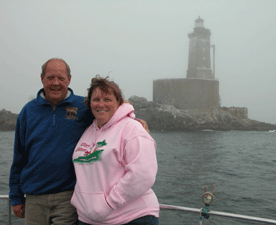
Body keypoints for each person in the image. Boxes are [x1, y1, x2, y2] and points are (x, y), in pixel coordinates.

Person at [9, 58, 149, 225]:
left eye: (61, 78)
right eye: (50, 77)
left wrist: (134, 120)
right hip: (34, 198)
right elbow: (19, 158)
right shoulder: (27, 112)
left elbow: (109, 112)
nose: (56, 83)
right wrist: (16, 197)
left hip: (68, 197)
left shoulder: (83, 107)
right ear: (42, 78)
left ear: (69, 79)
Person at [71, 75, 159, 225]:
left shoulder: (132, 129)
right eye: (96, 99)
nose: (101, 104)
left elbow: (143, 174)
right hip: (89, 219)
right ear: (89, 103)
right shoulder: (89, 131)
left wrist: (109, 203)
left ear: (118, 102)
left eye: (107, 99)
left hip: (132, 218)